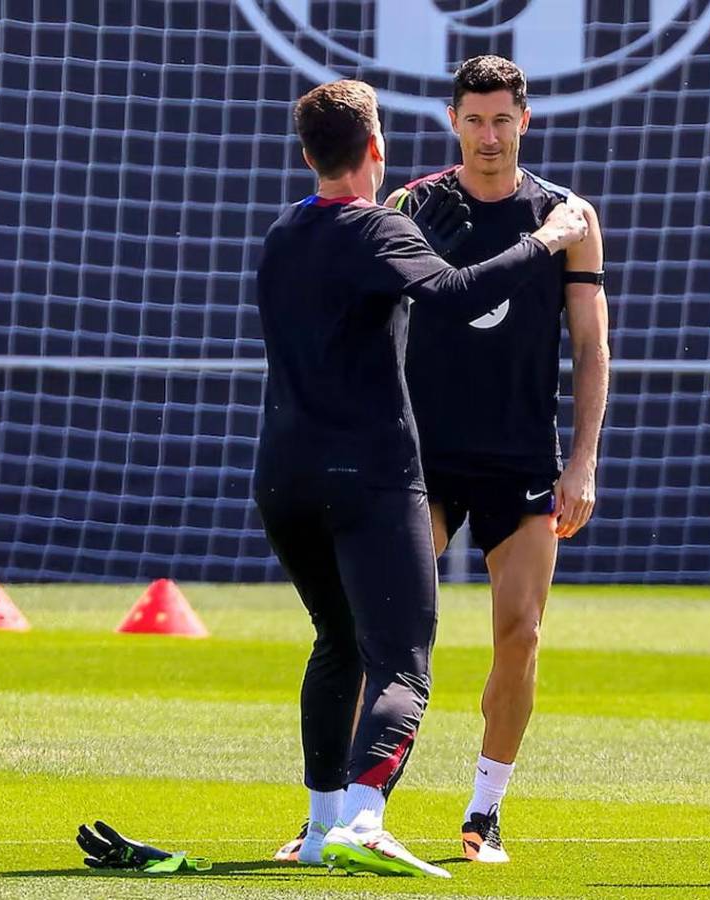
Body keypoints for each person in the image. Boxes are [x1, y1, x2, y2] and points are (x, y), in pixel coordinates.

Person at [255, 78, 587, 878]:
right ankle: (367, 817)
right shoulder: (382, 228)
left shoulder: (282, 234)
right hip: (372, 474)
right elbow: (454, 291)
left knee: (337, 644)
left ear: (307, 155)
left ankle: (320, 821)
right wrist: (544, 242)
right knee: (403, 657)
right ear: (378, 148)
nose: (487, 132)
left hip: (283, 478)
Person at [384, 55, 610, 864]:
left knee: (521, 634)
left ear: (526, 120)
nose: (488, 135)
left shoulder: (567, 216)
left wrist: (580, 462)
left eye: (502, 119)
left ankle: (484, 814)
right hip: (425, 460)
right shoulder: (412, 204)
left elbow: (590, 347)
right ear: (452, 120)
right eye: (474, 119)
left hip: (521, 458)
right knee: (382, 631)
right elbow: (376, 321)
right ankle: (342, 809)